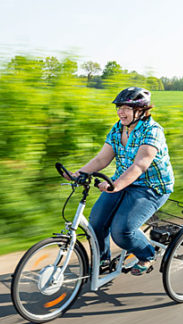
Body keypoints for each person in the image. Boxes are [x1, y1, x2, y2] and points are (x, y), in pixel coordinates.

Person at [69, 87, 174, 275]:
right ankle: (103, 261)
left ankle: (147, 255)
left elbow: (139, 166)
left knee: (122, 230)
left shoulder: (152, 131)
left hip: (151, 188)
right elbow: (102, 159)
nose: (120, 112)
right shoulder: (118, 128)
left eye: (126, 108)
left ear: (140, 111)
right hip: (123, 182)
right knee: (97, 222)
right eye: (119, 107)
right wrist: (78, 174)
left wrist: (115, 185)